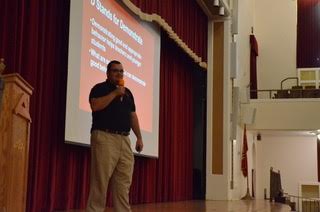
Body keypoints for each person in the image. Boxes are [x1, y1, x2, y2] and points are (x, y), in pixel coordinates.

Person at [86, 60, 143, 212]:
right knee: (100, 181)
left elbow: (132, 116)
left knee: (123, 183)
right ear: (108, 73)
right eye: (115, 71)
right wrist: (115, 93)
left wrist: (139, 137)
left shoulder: (128, 93)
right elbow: (95, 105)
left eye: (121, 71)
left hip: (124, 140)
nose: (119, 74)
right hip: (105, 137)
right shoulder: (100, 88)